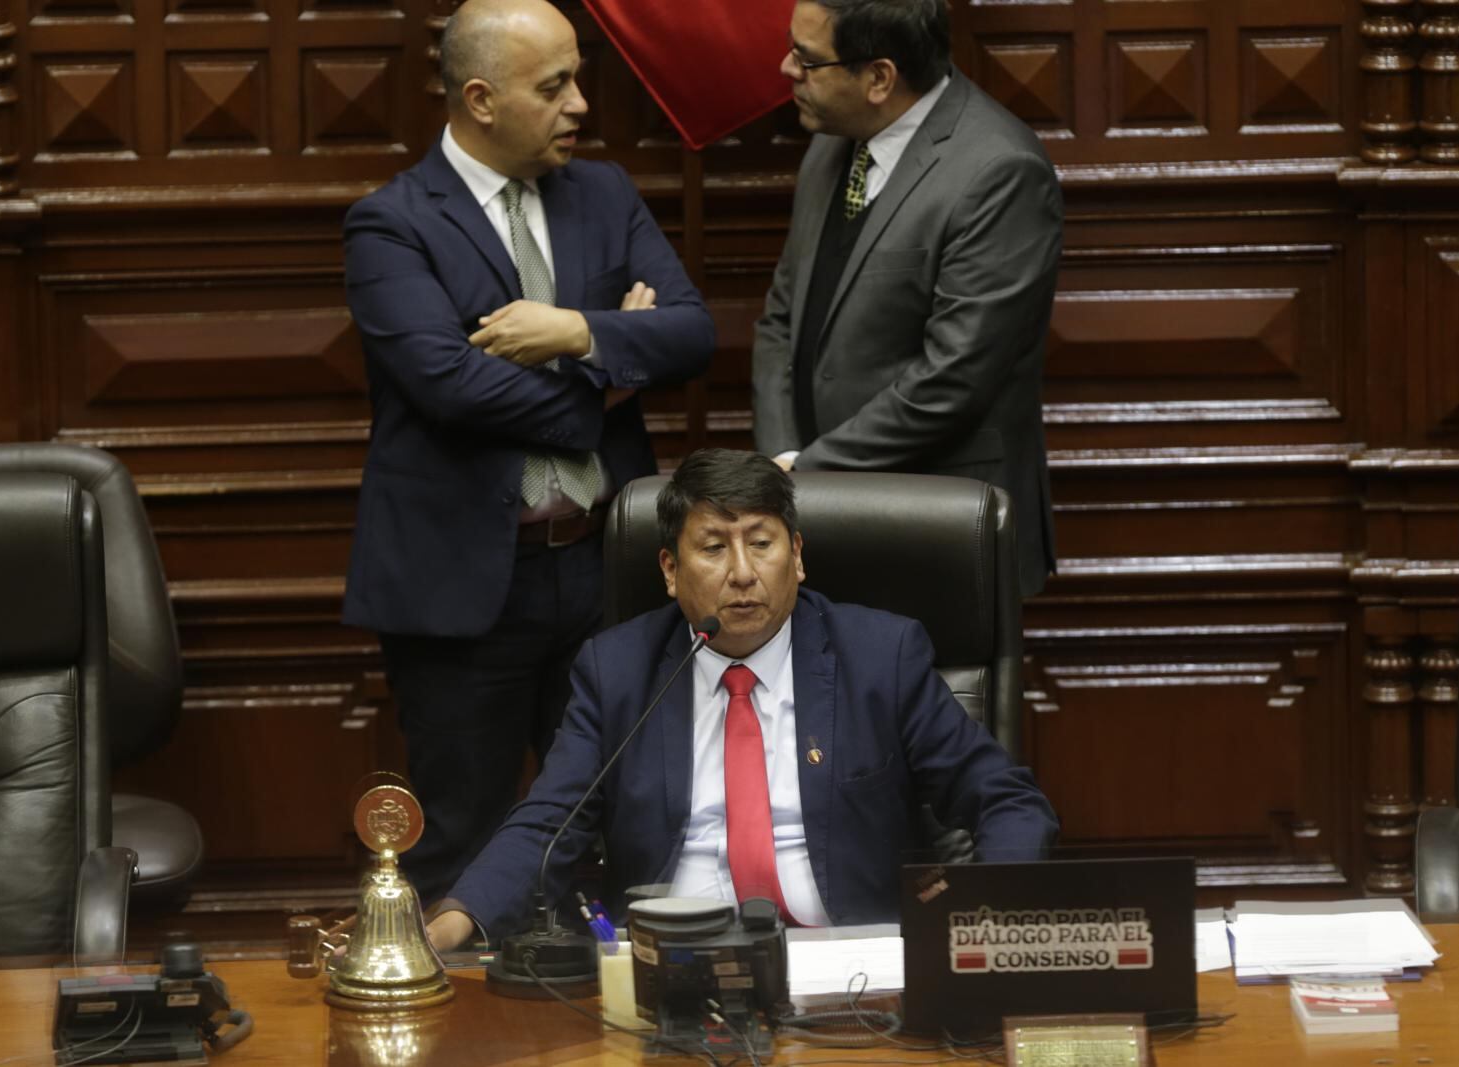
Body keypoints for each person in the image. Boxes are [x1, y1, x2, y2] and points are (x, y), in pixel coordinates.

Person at [341, 0, 715, 903]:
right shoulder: (390, 223)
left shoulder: (605, 193)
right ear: (480, 99)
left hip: (604, 571)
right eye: (554, 87)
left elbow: (692, 334)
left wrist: (567, 331)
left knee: (624, 822)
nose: (580, 104)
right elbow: (448, 385)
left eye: (576, 77)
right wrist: (608, 370)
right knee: (461, 840)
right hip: (468, 584)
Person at [428, 448, 1057, 948]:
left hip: (847, 968)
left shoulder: (879, 657)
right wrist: (453, 922)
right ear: (671, 571)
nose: (743, 572)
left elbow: (1008, 802)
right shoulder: (618, 671)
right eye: (712, 548)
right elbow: (547, 824)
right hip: (672, 963)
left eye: (762, 542)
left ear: (798, 556)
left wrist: (977, 927)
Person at [751, 0, 1061, 596]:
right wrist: (782, 460)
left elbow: (955, 377)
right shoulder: (830, 145)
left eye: (808, 59)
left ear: (879, 78)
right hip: (815, 514)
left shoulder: (1000, 170)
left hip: (938, 522)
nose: (787, 69)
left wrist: (808, 471)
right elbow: (781, 320)